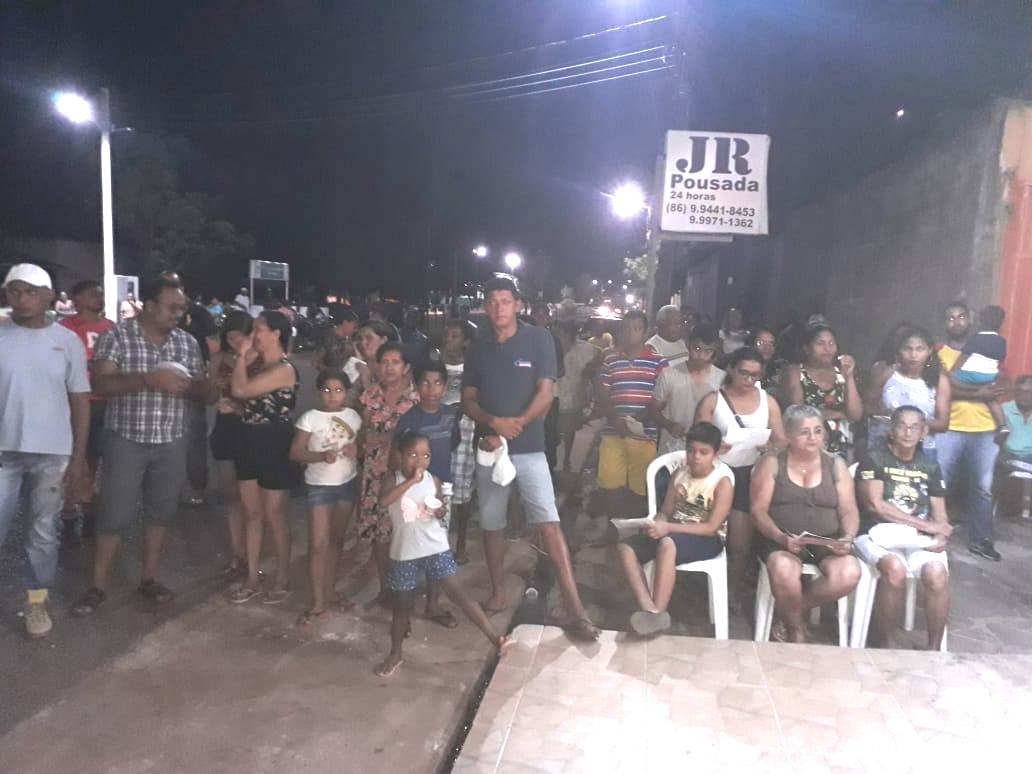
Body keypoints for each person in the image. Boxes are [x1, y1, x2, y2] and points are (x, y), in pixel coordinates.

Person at [462, 275, 599, 640]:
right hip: (489, 447)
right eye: (492, 302)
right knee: (492, 524)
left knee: (548, 522)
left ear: (518, 305)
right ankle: (497, 593)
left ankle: (575, 607)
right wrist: (493, 422)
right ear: (485, 306)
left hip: (530, 447)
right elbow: (468, 399)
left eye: (506, 301)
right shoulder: (479, 347)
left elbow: (546, 393)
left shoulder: (539, 339)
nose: (499, 309)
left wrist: (516, 424)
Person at [72, 275, 206, 617]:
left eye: (182, 308)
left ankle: (149, 578)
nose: (178, 314)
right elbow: (102, 383)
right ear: (149, 305)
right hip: (126, 440)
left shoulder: (187, 343)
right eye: (172, 307)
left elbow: (204, 390)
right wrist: (148, 379)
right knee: (114, 514)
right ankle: (97, 586)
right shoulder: (117, 336)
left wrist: (192, 386)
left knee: (161, 512)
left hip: (171, 440)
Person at [373, 432, 514, 676]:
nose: (420, 461)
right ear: (399, 455)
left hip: (435, 547)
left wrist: (440, 510)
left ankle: (496, 638)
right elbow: (384, 501)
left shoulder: (434, 480)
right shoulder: (392, 480)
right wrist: (411, 482)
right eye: (413, 454)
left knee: (459, 593)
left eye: (425, 455)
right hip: (405, 552)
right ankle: (395, 654)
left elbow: (439, 508)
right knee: (402, 606)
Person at [0, 264, 91, 637]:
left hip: (52, 453)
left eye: (30, 292)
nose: (22, 299)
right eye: (15, 291)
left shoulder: (67, 342)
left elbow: (80, 401)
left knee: (42, 533)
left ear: (49, 296)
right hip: (4, 451)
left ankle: (36, 602)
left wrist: (79, 459)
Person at [750, 404, 861, 643]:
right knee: (784, 569)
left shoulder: (835, 465)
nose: (813, 437)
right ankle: (796, 631)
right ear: (789, 435)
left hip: (826, 541)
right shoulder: (772, 463)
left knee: (849, 572)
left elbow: (849, 510)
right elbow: (758, 511)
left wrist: (847, 537)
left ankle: (792, 611)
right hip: (781, 539)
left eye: (818, 431)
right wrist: (781, 537)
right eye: (804, 432)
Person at [617, 422, 734, 635]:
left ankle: (658, 611)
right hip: (673, 533)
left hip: (706, 539)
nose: (696, 457)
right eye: (691, 451)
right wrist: (656, 523)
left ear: (715, 454)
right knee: (626, 548)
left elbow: (711, 528)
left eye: (704, 452)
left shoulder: (721, 483)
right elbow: (666, 511)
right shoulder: (680, 474)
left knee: (667, 544)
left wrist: (668, 528)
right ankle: (650, 610)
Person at [853, 406, 951, 650]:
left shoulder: (930, 465)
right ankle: (885, 643)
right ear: (891, 430)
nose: (908, 433)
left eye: (914, 427)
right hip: (875, 532)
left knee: (936, 573)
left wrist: (940, 534)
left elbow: (940, 512)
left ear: (924, 432)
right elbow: (876, 506)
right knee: (894, 570)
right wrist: (925, 525)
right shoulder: (874, 458)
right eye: (902, 426)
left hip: (917, 538)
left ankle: (934, 650)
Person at [695, 347, 786, 604]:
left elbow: (782, 440)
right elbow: (697, 438)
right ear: (731, 370)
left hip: (750, 475)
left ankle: (730, 593)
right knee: (707, 533)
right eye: (744, 373)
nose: (749, 380)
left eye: (755, 376)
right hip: (716, 474)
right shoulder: (713, 400)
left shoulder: (768, 402)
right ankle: (703, 588)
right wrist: (715, 446)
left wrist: (770, 448)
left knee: (740, 542)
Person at [227, 310, 300, 604]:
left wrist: (240, 356)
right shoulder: (257, 365)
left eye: (259, 329)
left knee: (274, 514)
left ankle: (282, 576)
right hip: (249, 439)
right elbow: (241, 397)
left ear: (276, 334)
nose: (253, 335)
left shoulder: (284, 370)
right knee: (252, 514)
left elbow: (240, 389)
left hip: (274, 442)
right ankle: (252, 578)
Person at [290, 368, 361, 624]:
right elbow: (296, 452)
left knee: (336, 541)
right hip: (319, 486)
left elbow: (361, 446)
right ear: (318, 392)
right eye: (327, 390)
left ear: (347, 393)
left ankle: (329, 590)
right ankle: (317, 601)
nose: (333, 395)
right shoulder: (310, 418)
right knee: (318, 544)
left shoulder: (353, 417)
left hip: (347, 483)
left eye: (339, 390)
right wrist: (320, 456)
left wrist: (356, 450)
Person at [393, 361, 463, 624]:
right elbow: (398, 455)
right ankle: (404, 598)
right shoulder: (409, 419)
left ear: (445, 387)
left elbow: (453, 443)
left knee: (438, 543)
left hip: (441, 490)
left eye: (437, 383)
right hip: (413, 492)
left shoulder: (450, 416)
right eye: (425, 382)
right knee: (411, 542)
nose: (431, 389)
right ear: (416, 386)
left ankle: (432, 604)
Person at [937, 301, 1005, 561]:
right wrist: (980, 393)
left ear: (970, 320)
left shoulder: (987, 348)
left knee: (982, 488)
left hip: (985, 429)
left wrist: (978, 391)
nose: (956, 322)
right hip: (949, 427)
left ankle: (981, 539)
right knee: (938, 483)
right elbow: (942, 389)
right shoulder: (938, 354)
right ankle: (931, 532)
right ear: (945, 324)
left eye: (961, 317)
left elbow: (998, 385)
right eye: (950, 318)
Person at [358, 342, 419, 603]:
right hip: (374, 474)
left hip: (405, 476)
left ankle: (406, 591)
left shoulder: (416, 398)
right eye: (384, 362)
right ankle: (385, 589)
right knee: (380, 535)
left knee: (406, 533)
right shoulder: (370, 396)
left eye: (395, 362)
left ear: (406, 367)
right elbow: (362, 433)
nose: (389, 367)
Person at [596, 310, 667, 516]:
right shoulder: (610, 358)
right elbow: (602, 393)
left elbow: (662, 397)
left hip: (644, 434)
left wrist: (635, 420)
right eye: (626, 328)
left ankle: (634, 528)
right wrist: (615, 419)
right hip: (613, 432)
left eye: (636, 329)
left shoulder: (658, 362)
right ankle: (613, 527)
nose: (630, 333)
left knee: (641, 488)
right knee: (610, 486)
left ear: (645, 332)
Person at [59, 279, 116, 533]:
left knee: (94, 454)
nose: (98, 298)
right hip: (76, 400)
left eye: (100, 294)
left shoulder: (110, 327)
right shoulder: (65, 328)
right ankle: (69, 502)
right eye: (93, 294)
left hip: (103, 400)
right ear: (77, 299)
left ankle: (88, 495)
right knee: (74, 453)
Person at [208, 311, 255, 578]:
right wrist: (215, 388)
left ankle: (254, 552)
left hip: (251, 431)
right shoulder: (218, 360)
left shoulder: (258, 360)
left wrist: (239, 406)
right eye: (231, 338)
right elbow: (209, 396)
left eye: (241, 337)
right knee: (232, 495)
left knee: (253, 498)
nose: (236, 343)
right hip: (225, 429)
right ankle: (238, 553)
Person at [865, 325, 951, 457]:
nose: (913, 355)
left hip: (923, 451)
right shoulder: (887, 374)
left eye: (920, 349)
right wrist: (892, 423)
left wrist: (911, 425)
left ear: (929, 351)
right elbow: (868, 406)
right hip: (884, 446)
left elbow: (943, 423)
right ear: (899, 351)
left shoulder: (939, 380)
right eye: (908, 349)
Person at [781, 324, 863, 459]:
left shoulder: (842, 372)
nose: (827, 348)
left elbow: (855, 415)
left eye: (831, 343)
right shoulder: (795, 372)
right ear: (806, 348)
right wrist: (839, 413)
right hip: (808, 442)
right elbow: (798, 414)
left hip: (842, 444)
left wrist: (849, 377)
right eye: (820, 343)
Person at [652, 323, 726, 456]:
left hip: (705, 455)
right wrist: (668, 425)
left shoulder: (722, 379)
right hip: (671, 452)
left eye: (707, 351)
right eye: (697, 348)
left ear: (714, 351)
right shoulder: (668, 375)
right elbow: (653, 410)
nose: (701, 355)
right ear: (688, 345)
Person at [179, 293, 221, 506]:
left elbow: (214, 349)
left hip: (195, 381)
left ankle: (197, 487)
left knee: (194, 439)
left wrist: (211, 381)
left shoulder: (199, 314)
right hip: (166, 386)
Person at [441, 319, 477, 564]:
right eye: (446, 335)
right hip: (438, 426)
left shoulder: (473, 367)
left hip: (465, 426)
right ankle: (439, 543)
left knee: (462, 487)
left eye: (455, 336)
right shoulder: (435, 363)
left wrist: (461, 408)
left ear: (466, 342)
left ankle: (461, 543)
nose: (448, 339)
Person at [949, 304, 1007, 429]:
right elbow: (1000, 361)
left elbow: (963, 358)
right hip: (990, 377)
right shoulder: (1002, 341)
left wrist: (952, 373)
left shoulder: (975, 338)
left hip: (971, 378)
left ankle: (976, 389)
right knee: (992, 400)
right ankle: (1003, 426)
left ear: (980, 321)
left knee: (950, 380)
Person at [556, 321, 602, 475]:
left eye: (559, 332)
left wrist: (591, 370)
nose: (556, 335)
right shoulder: (551, 347)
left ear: (567, 334)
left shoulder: (585, 349)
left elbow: (601, 356)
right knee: (553, 434)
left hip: (573, 398)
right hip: (553, 397)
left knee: (569, 432)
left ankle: (566, 460)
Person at [529, 302, 566, 470]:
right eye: (537, 315)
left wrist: (544, 375)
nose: (540, 319)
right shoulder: (521, 340)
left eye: (543, 316)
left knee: (549, 435)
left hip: (549, 395)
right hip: (526, 395)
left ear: (548, 319)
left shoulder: (554, 341)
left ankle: (549, 471)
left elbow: (561, 369)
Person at [314, 305, 361, 375]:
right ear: (345, 323)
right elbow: (316, 362)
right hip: (329, 379)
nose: (355, 330)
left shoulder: (349, 340)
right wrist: (333, 372)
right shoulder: (328, 338)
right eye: (354, 326)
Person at [999, 375, 1032, 465]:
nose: (1023, 396)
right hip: (1007, 457)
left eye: (1028, 392)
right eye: (1019, 392)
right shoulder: (1002, 410)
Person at [753, 326, 784, 392]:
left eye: (771, 343)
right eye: (761, 343)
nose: (767, 348)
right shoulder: (743, 371)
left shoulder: (780, 370)